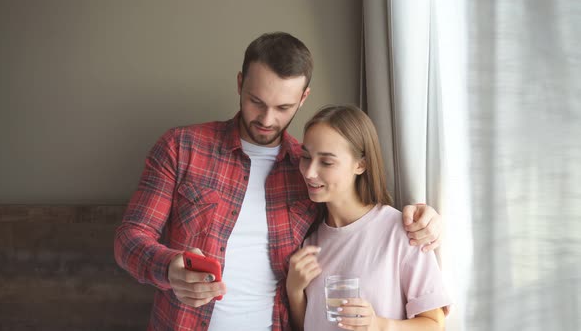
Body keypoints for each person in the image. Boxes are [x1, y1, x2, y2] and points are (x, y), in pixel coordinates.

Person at [114, 32, 443, 331]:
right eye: (256, 101)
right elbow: (129, 239)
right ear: (240, 83)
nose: (267, 119)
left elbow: (357, 218)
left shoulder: (305, 171)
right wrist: (169, 267)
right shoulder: (182, 147)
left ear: (303, 98)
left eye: (283, 107)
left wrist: (424, 217)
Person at [286, 104, 451, 331]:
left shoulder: (401, 231)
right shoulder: (309, 242)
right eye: (306, 157)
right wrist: (294, 292)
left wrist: (379, 325)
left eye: (326, 162)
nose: (309, 172)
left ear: (360, 164)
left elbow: (435, 324)